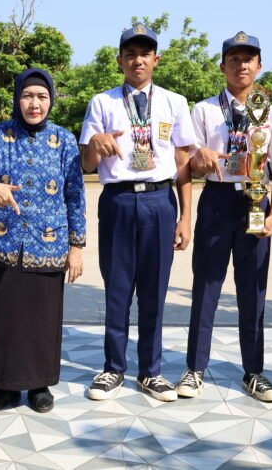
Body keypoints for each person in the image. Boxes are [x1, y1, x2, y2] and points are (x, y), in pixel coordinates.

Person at [80, 24, 196, 402]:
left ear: (156, 60)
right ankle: (113, 368)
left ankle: (151, 371)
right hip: (117, 200)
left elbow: (183, 164)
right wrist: (96, 145)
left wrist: (185, 216)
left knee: (154, 290)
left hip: (161, 202)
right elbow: (86, 165)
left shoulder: (175, 102)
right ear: (120, 61)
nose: (138, 60)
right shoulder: (103, 102)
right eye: (130, 54)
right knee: (117, 288)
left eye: (145, 53)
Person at [0, 68, 86, 413]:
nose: (35, 104)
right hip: (0, 244)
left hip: (48, 246)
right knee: (1, 317)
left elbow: (75, 196)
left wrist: (76, 247)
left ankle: (39, 384)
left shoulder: (63, 140)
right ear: (18, 99)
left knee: (41, 320)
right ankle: (3, 385)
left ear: (51, 100)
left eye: (42, 97)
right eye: (28, 96)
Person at [178, 32, 272, 402]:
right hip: (217, 202)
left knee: (253, 292)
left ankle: (254, 372)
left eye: (249, 59)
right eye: (234, 58)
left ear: (259, 65)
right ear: (222, 65)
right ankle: (195, 368)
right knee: (206, 288)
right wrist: (200, 156)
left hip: (255, 206)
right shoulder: (205, 110)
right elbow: (188, 164)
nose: (241, 65)